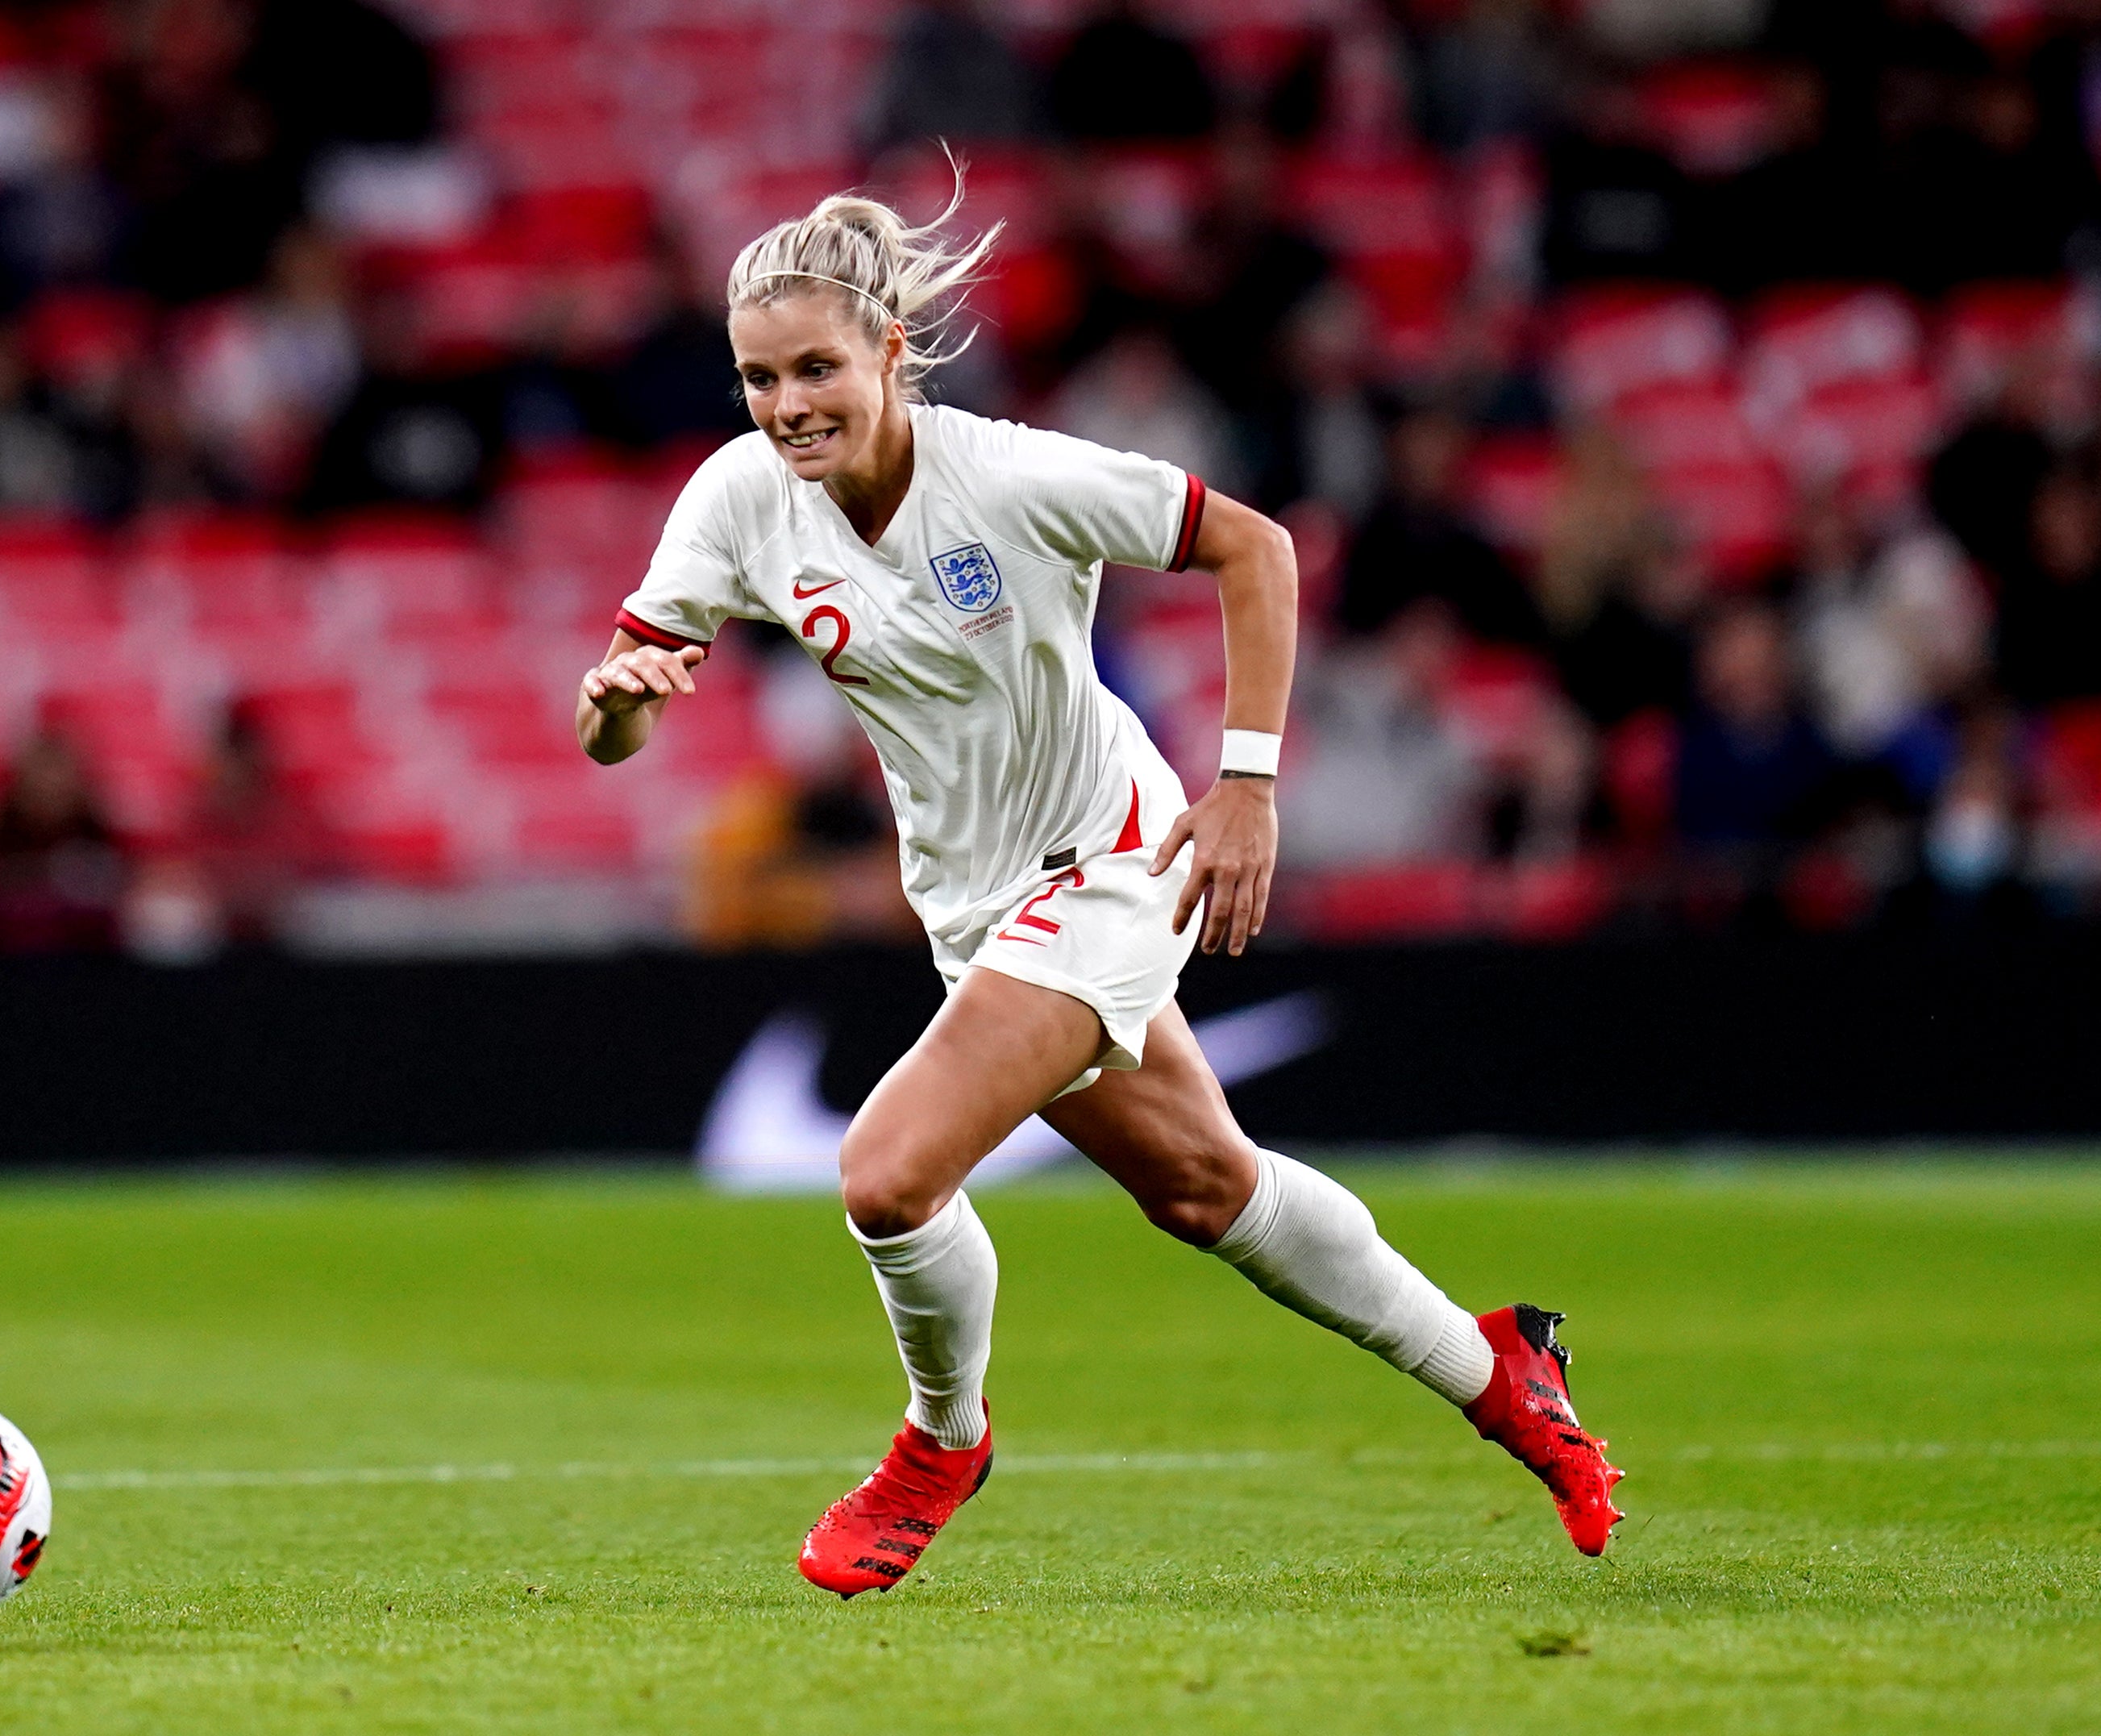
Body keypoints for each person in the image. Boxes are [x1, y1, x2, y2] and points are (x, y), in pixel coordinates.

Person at [572, 182, 1624, 1594]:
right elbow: (617, 727)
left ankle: (941, 1440)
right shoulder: (739, 498)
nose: (785, 404)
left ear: (890, 349)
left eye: (815, 367)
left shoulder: (1004, 477)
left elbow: (1257, 545)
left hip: (1106, 861)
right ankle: (1498, 1368)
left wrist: (1246, 783)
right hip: (969, 901)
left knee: (886, 1174)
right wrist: (617, 699)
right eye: (759, 376)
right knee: (1204, 1188)